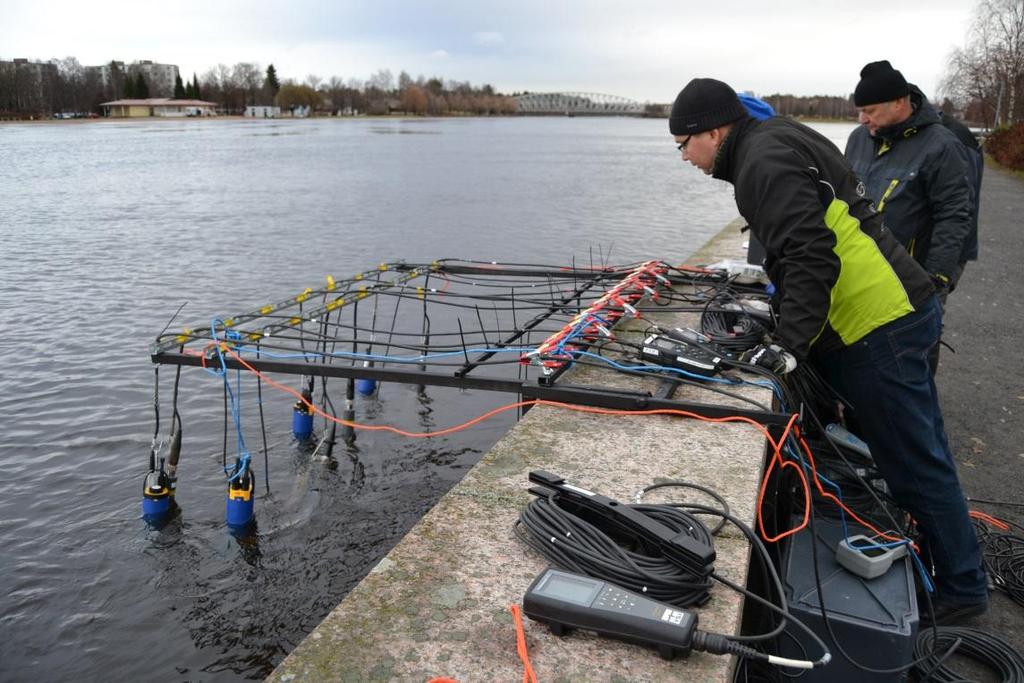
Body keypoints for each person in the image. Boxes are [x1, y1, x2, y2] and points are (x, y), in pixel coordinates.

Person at [669, 77, 988, 624]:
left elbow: (812, 255)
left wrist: (789, 347)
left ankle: (961, 589)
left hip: (877, 320)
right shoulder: (775, 136)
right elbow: (806, 247)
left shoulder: (760, 162)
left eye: (684, 145)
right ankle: (950, 564)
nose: (684, 158)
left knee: (913, 462)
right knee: (920, 451)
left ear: (713, 131)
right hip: (889, 312)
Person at [844, 61, 973, 300]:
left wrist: (936, 279)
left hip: (911, 280)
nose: (862, 119)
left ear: (898, 103)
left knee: (911, 338)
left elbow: (953, 217)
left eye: (870, 111)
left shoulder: (941, 146)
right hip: (859, 273)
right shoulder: (858, 139)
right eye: (860, 111)